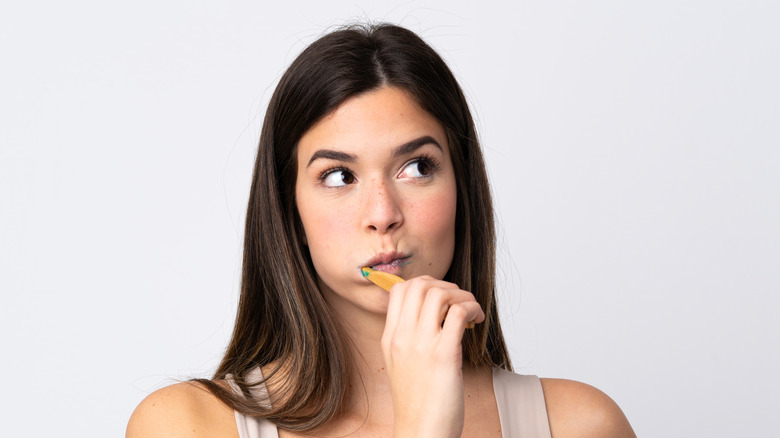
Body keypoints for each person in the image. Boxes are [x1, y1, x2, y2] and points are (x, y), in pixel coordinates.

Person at [127, 23, 636, 437]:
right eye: (339, 176)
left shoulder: (582, 425)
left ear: (463, 191)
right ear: (291, 213)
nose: (382, 213)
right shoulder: (183, 426)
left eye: (416, 168)